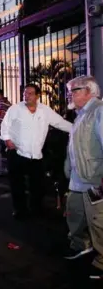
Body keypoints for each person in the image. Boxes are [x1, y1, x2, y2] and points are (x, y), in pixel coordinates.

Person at [0, 84, 72, 219]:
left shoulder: (45, 111)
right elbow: (5, 125)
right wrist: (7, 139)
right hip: (17, 153)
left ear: (37, 96)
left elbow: (59, 122)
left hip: (36, 155)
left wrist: (76, 128)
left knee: (38, 185)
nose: (26, 96)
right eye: (24, 94)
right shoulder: (15, 109)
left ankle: (36, 209)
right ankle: (20, 210)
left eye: (30, 93)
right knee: (17, 185)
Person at [63, 76, 103, 280]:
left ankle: (102, 262)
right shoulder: (81, 114)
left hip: (94, 180)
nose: (71, 94)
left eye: (74, 90)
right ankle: (82, 247)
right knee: (75, 215)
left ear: (90, 91)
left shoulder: (99, 111)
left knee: (99, 221)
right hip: (77, 179)